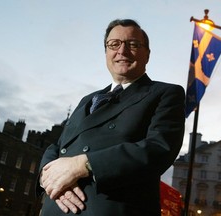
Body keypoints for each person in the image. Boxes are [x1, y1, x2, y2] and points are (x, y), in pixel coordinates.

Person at [36, 19, 185, 216]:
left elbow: (159, 148)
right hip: (55, 208)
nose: (122, 51)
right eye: (114, 44)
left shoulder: (166, 93)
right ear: (106, 52)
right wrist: (47, 176)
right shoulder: (88, 99)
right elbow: (58, 145)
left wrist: (82, 164)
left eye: (132, 44)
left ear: (147, 54)